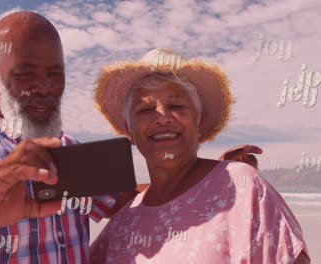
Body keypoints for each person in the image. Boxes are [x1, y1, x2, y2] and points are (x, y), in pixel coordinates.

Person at [0, 13, 261, 264]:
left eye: (55, 74)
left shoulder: (70, 155)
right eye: (25, 73)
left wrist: (206, 176)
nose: (43, 88)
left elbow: (129, 200)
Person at [89, 48, 310, 264]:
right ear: (130, 131)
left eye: (176, 105)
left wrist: (217, 179)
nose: (163, 117)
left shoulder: (243, 188)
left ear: (199, 121)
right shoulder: (122, 224)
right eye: (145, 110)